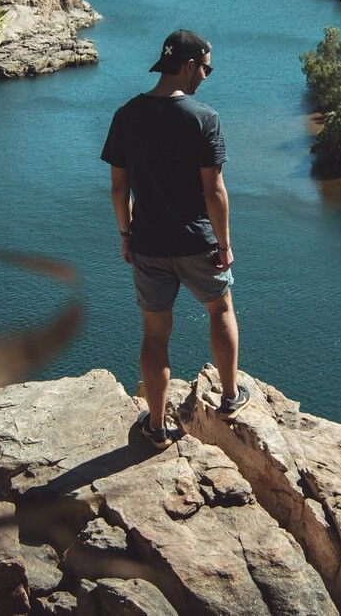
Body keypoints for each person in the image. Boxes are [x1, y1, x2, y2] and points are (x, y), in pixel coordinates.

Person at [101, 29, 249, 449]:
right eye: (206, 67)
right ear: (188, 66)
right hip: (197, 242)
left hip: (148, 243)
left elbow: (118, 188)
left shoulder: (126, 114)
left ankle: (155, 426)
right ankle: (229, 396)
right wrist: (224, 244)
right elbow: (214, 190)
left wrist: (126, 235)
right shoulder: (204, 118)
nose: (206, 76)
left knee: (154, 333)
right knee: (220, 309)